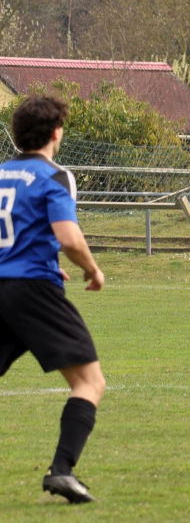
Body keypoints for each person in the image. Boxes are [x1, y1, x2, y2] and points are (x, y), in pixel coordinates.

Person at [0, 95, 106, 503]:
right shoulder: (54, 176)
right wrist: (92, 269)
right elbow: (68, 237)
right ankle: (61, 471)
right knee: (89, 381)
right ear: (57, 133)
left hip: (5, 286)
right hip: (33, 291)